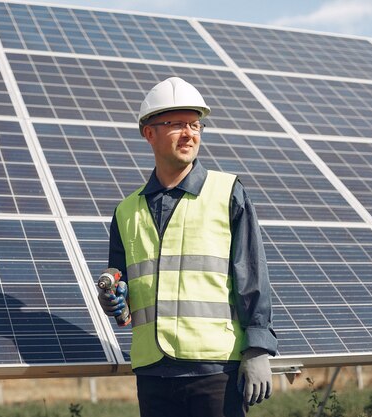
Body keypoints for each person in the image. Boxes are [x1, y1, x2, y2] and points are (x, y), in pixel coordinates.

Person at [98, 76, 277, 417]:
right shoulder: (126, 211)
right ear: (149, 133)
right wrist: (113, 301)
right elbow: (124, 291)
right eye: (177, 124)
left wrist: (258, 348)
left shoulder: (228, 194)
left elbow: (252, 276)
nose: (190, 134)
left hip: (215, 370)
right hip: (153, 371)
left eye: (196, 125)